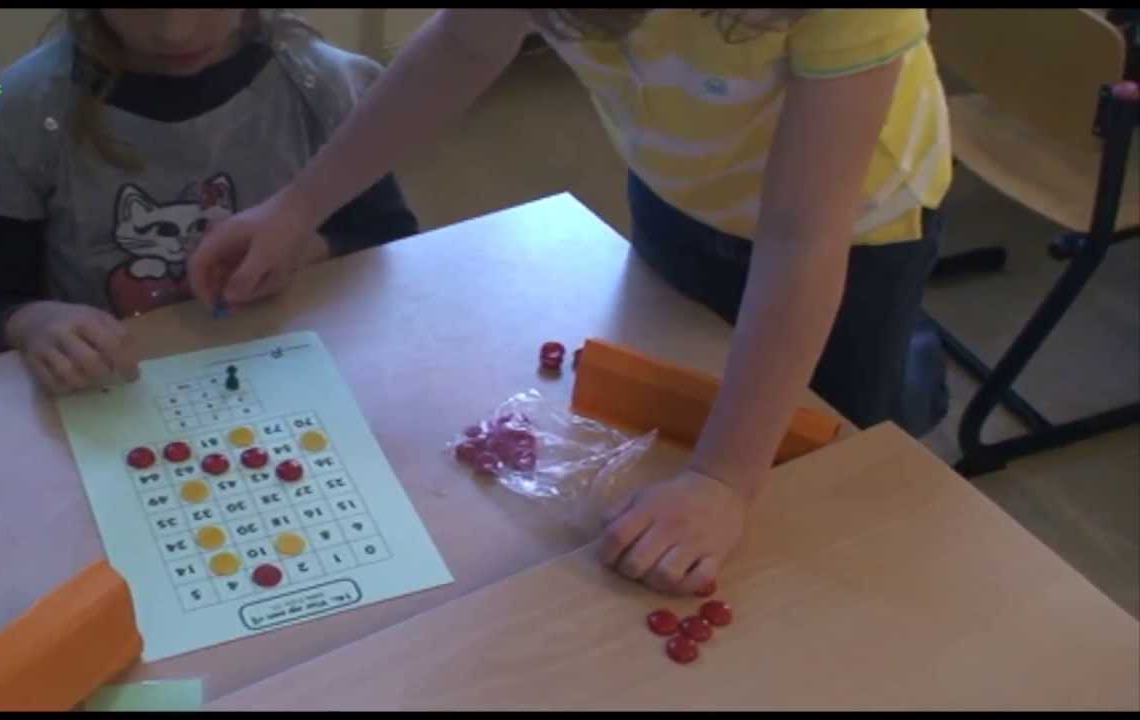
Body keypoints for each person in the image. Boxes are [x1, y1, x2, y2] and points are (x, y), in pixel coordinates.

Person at [186, 9, 953, 595]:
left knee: (827, 445)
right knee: (687, 377)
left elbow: (800, 242)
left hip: (856, 231)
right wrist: (298, 207)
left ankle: (912, 372)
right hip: (681, 188)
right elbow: (461, 46)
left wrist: (724, 478)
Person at [0, 9, 419, 394]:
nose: (175, 31)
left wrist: (308, 249)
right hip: (113, 396)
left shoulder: (322, 87)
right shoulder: (21, 117)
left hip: (287, 371)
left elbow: (387, 233)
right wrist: (32, 323)